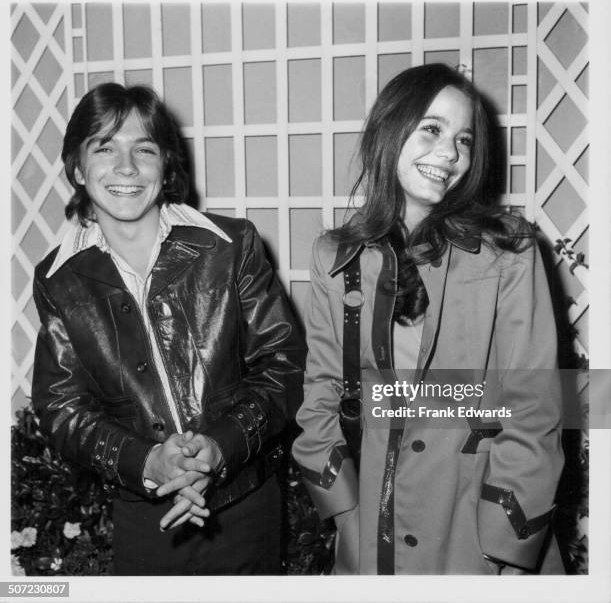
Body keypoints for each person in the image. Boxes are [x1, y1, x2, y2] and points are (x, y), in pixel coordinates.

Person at [292, 64, 564, 575]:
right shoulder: (336, 256)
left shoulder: (508, 250)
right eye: (432, 130)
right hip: (372, 531)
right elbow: (322, 393)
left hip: (477, 528)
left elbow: (533, 406)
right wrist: (345, 513)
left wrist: (505, 543)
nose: (450, 154)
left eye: (464, 140)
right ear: (389, 131)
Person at [32, 83, 304, 575]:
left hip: (243, 505)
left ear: (166, 166)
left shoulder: (231, 245)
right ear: (77, 168)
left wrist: (218, 448)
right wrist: (147, 462)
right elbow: (61, 407)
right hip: (146, 517)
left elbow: (284, 365)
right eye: (105, 147)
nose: (127, 168)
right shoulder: (59, 280)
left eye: (145, 149)